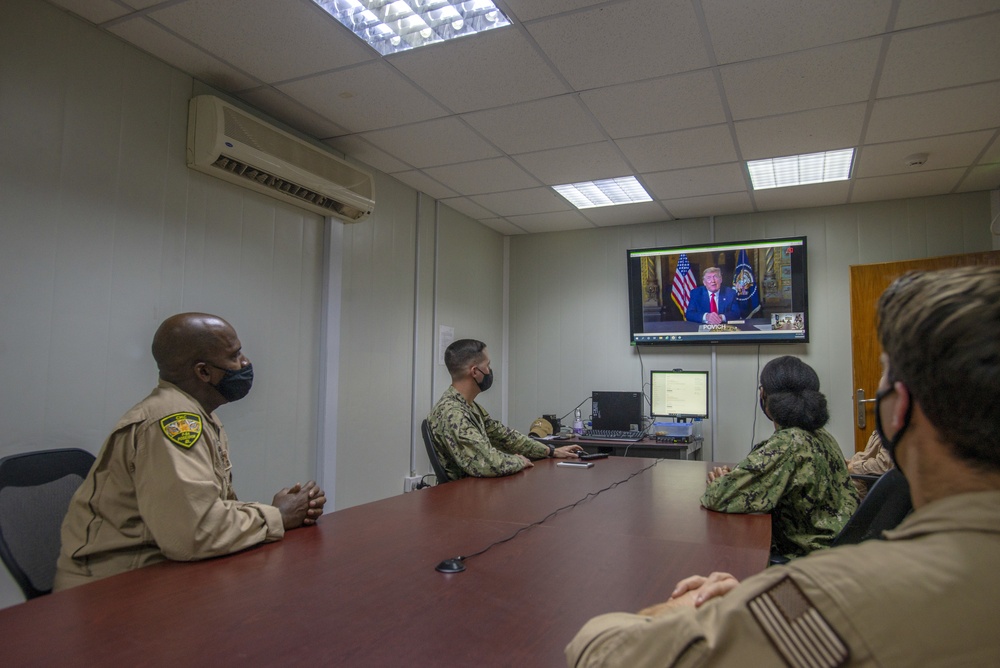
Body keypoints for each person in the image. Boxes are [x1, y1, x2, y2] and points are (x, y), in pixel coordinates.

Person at [566, 266, 1000, 667]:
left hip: (808, 564)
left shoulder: (838, 597)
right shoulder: (825, 439)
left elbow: (598, 650)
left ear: (898, 408)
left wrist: (687, 608)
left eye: (885, 374)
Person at [54, 313, 326, 590]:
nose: (245, 363)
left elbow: (203, 510)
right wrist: (277, 516)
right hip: (111, 589)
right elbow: (195, 534)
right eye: (235, 355)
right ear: (203, 372)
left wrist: (278, 510)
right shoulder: (171, 423)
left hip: (158, 568)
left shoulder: (198, 415)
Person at [701, 356, 859, 559]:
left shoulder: (788, 444)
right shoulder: (819, 434)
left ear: (765, 397)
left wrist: (722, 482)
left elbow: (717, 497)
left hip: (810, 558)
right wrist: (741, 479)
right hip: (838, 547)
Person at [427, 339, 581, 481]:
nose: (489, 370)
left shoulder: (468, 406)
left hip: (477, 489)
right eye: (487, 365)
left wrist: (550, 451)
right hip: (461, 498)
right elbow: (487, 462)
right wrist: (518, 461)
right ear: (475, 372)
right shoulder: (453, 413)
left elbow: (504, 436)